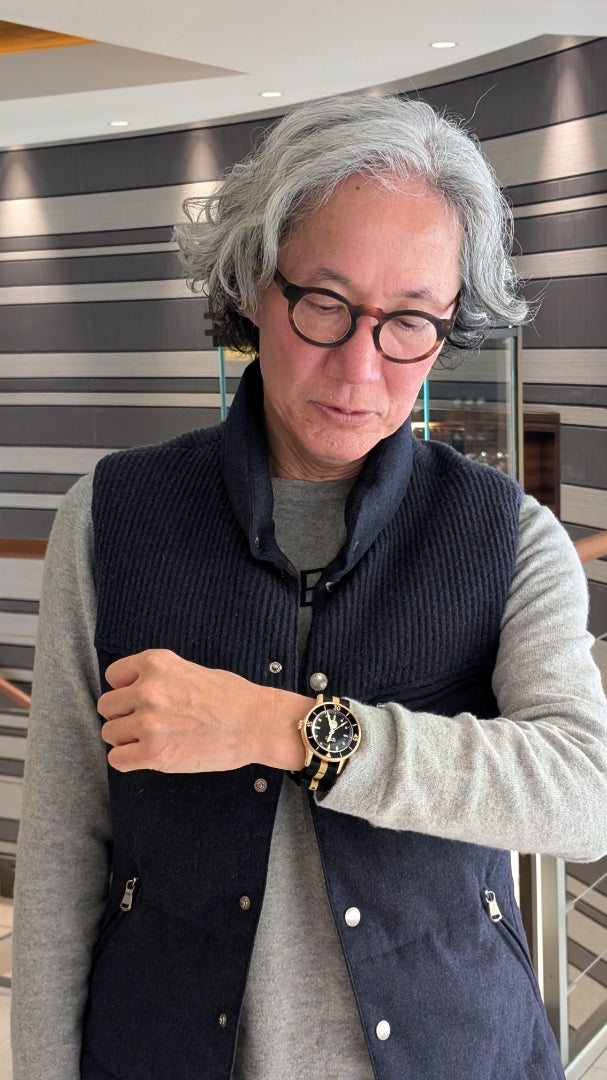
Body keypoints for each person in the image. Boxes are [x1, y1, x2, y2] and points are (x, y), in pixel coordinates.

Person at [11, 93, 607, 1080]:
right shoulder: (112, 517)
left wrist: (288, 729)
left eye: (409, 320)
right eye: (324, 304)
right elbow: (64, 849)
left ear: (447, 323)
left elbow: (581, 795)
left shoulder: (507, 536)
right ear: (255, 281)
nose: (360, 367)